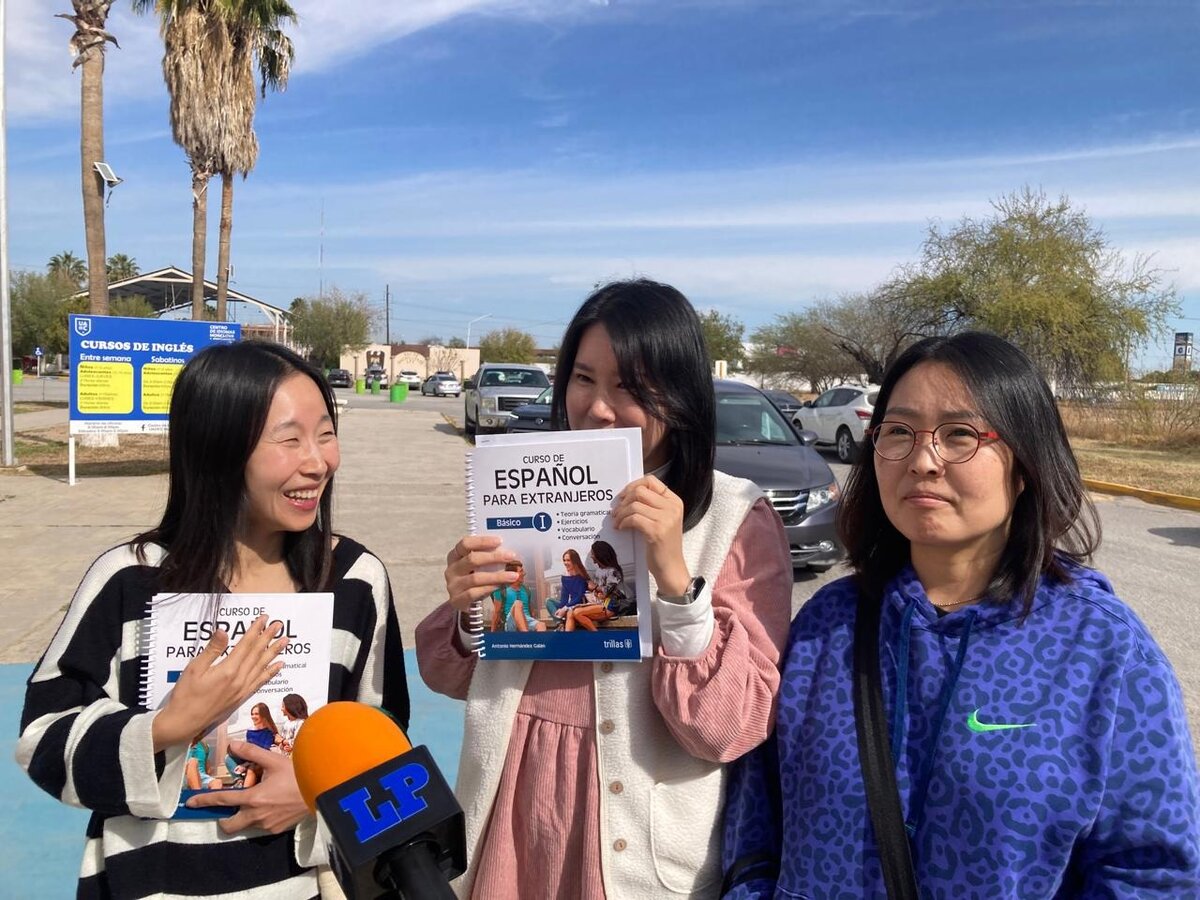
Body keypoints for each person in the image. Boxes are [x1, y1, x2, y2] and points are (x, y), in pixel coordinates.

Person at [721, 332, 1200, 898]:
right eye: (899, 432)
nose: (923, 461)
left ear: (1025, 463)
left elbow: (1153, 872)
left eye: (960, 435)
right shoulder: (828, 624)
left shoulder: (1102, 650)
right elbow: (756, 823)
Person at [416, 278, 793, 899]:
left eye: (631, 388)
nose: (598, 408)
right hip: (513, 810)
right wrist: (467, 608)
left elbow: (727, 729)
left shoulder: (735, 517)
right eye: (583, 379)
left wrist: (676, 580)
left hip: (637, 848)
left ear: (681, 395)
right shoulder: (526, 485)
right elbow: (446, 675)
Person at [17, 341, 410, 899]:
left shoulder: (354, 580)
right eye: (290, 439)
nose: (318, 461)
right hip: (146, 883)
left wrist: (317, 793)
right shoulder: (131, 579)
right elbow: (42, 742)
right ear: (217, 448)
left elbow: (387, 744)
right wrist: (166, 727)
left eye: (326, 434)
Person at [565, 539, 628, 631]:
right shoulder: (598, 571)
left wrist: (595, 587)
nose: (591, 556)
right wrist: (593, 591)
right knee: (571, 612)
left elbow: (607, 590)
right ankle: (567, 638)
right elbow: (597, 591)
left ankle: (597, 635)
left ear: (599, 555)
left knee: (577, 612)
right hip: (599, 604)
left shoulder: (613, 571)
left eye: (593, 554)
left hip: (609, 606)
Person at [489, 560, 544, 632]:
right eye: (521, 571)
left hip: (527, 621)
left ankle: (532, 637)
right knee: (518, 604)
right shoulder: (500, 590)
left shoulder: (526, 590)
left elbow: (531, 612)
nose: (524, 573)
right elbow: (497, 613)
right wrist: (492, 634)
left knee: (541, 625)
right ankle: (526, 636)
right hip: (511, 623)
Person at [544, 549, 591, 625]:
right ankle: (559, 622)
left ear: (575, 561)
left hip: (578, 605)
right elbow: (564, 597)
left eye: (568, 560)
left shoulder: (581, 576)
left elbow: (579, 597)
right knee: (548, 601)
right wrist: (561, 609)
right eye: (564, 560)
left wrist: (565, 608)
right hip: (568, 605)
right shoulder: (565, 577)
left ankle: (559, 622)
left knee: (568, 610)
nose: (565, 563)